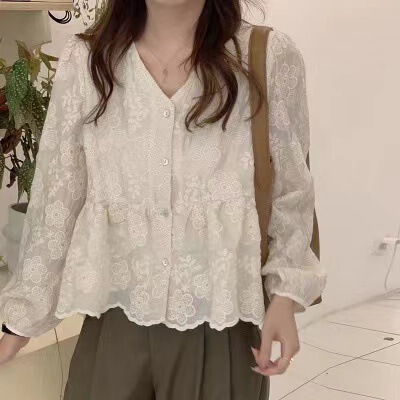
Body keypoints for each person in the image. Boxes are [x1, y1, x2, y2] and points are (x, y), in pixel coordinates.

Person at [0, 0, 327, 399]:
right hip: (114, 316)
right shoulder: (87, 60)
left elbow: (291, 189)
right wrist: (22, 318)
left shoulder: (267, 56)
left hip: (221, 321)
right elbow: (59, 194)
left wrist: (285, 295)